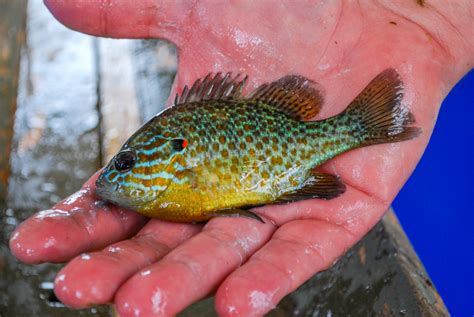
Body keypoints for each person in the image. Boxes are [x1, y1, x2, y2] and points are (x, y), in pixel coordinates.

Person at [9, 1, 473, 316]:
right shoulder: (171, 180)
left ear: (171, 160)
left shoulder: (180, 177)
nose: (111, 179)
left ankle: (362, 125)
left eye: (127, 164)